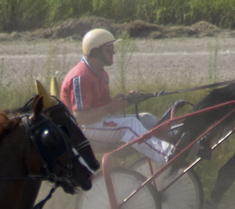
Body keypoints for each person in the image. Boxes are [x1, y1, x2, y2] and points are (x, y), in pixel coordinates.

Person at [59, 28, 174, 166]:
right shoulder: (80, 77)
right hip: (78, 129)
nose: (113, 52)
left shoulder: (102, 74)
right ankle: (169, 157)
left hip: (94, 123)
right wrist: (110, 107)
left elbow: (103, 107)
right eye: (108, 49)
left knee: (146, 119)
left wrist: (126, 101)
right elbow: (80, 118)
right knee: (129, 126)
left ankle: (180, 142)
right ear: (95, 52)